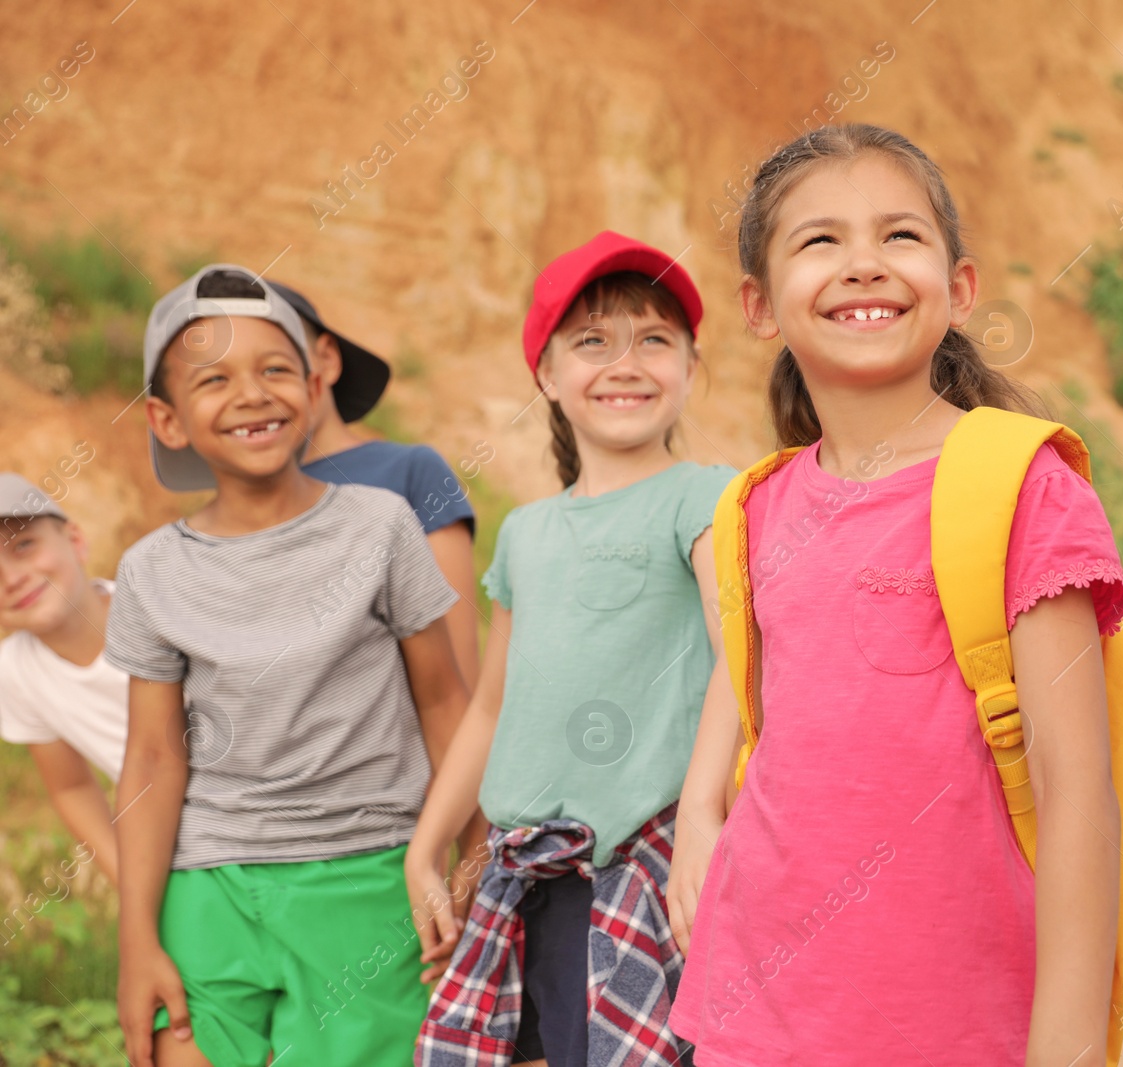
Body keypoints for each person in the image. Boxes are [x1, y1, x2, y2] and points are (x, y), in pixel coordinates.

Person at [665, 124, 1123, 1065]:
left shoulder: (1022, 487)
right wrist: (695, 819)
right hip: (747, 1019)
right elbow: (756, 690)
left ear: (960, 289)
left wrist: (1070, 1048)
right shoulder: (754, 505)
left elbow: (1078, 791)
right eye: (820, 241)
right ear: (760, 306)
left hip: (955, 1031)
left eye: (900, 236)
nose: (864, 266)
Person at [108, 265, 473, 1067]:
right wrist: (138, 938)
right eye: (214, 378)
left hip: (371, 877)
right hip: (210, 881)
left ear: (314, 386)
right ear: (168, 420)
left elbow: (447, 703)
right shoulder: (150, 570)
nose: (252, 393)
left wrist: (473, 858)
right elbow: (153, 754)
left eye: (276, 369)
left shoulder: (380, 526)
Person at [407, 232, 733, 1067]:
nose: (625, 361)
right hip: (528, 881)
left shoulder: (705, 499)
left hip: (649, 871)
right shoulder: (526, 531)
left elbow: (743, 655)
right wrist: (428, 842)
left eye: (654, 339)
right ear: (548, 376)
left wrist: (701, 815)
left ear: (691, 367)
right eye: (593, 341)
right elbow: (492, 703)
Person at [266, 280, 480, 691]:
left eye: (275, 364)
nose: (254, 389)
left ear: (325, 359)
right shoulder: (238, 508)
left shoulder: (412, 472)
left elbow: (458, 674)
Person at [0, 474, 125, 884]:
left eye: (23, 545)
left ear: (75, 540)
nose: (11, 578)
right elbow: (71, 787)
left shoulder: (155, 610)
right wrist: (132, 881)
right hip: (181, 851)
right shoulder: (14, 673)